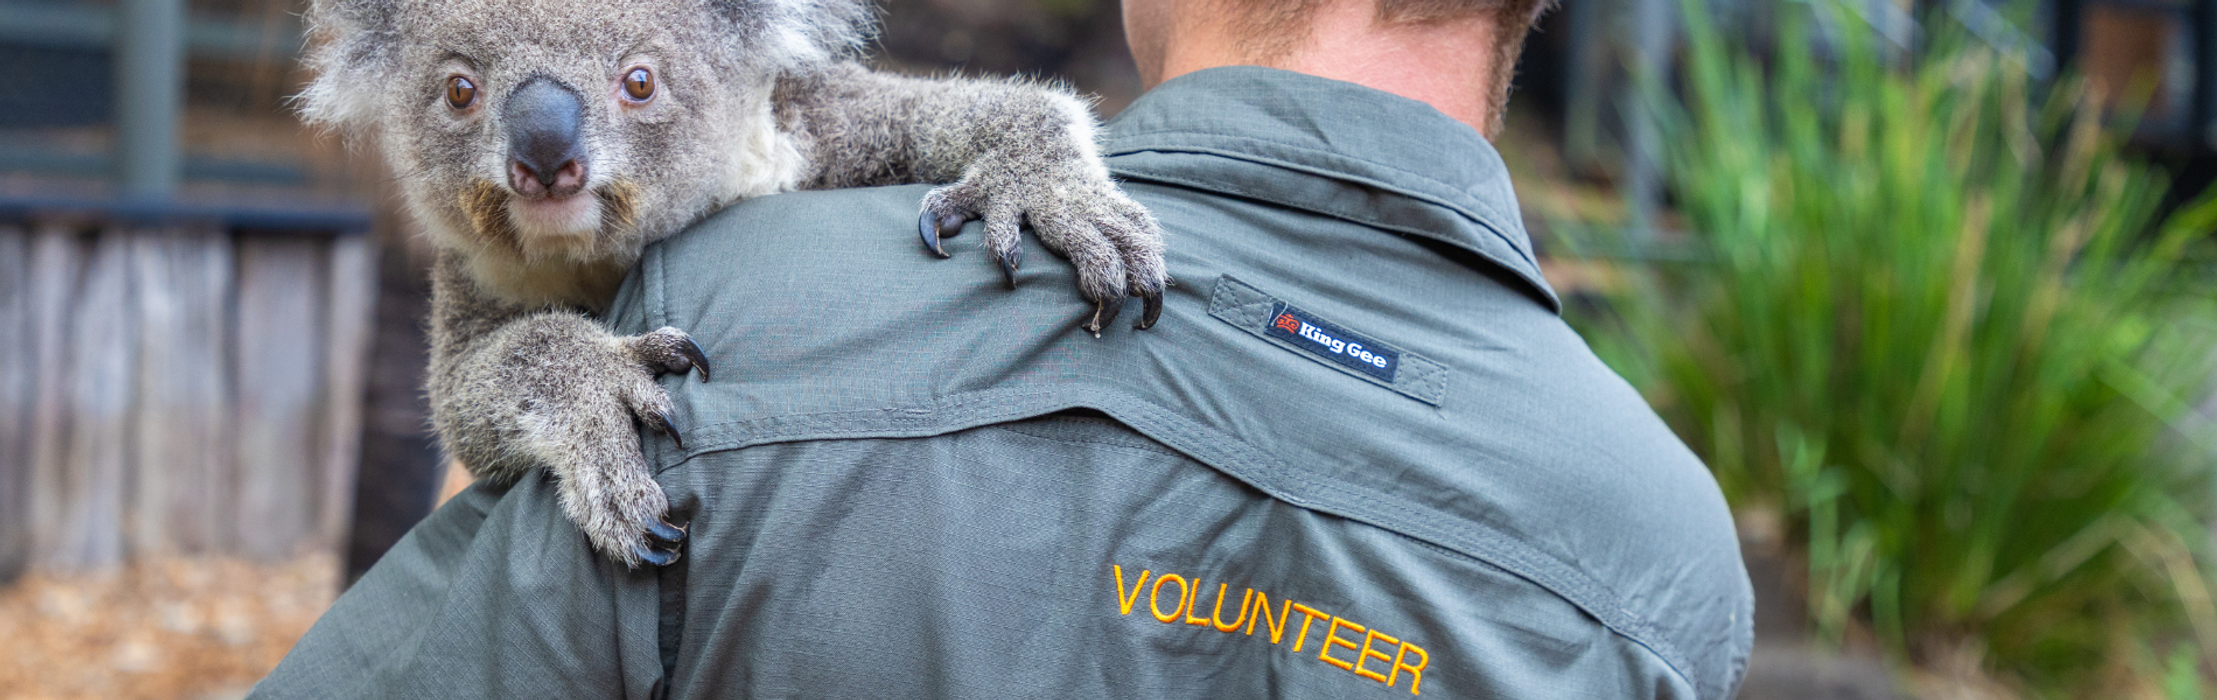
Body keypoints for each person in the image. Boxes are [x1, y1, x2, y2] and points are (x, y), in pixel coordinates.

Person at [251, 0, 1753, 697]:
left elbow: (1014, 123)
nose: (541, 136)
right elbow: (476, 382)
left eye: (634, 75)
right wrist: (551, 385)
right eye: (462, 91)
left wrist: (1048, 182)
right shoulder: (1673, 569)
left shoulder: (788, 177)